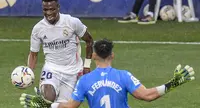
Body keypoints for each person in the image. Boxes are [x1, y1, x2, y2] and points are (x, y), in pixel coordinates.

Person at [58, 38, 195, 108]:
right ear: (112, 55)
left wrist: (47, 104)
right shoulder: (123, 75)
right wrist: (173, 83)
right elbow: (147, 95)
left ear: (93, 56)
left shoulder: (84, 80)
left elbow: (70, 106)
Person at [19, 0, 93, 108]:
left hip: (72, 71)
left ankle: (44, 105)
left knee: (65, 106)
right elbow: (33, 54)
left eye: (52, 9)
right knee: (48, 98)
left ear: (58, 7)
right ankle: (45, 100)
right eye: (45, 10)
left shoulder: (72, 22)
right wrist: (29, 73)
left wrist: (86, 66)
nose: (49, 13)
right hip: (51, 69)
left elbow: (89, 41)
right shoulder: (38, 29)